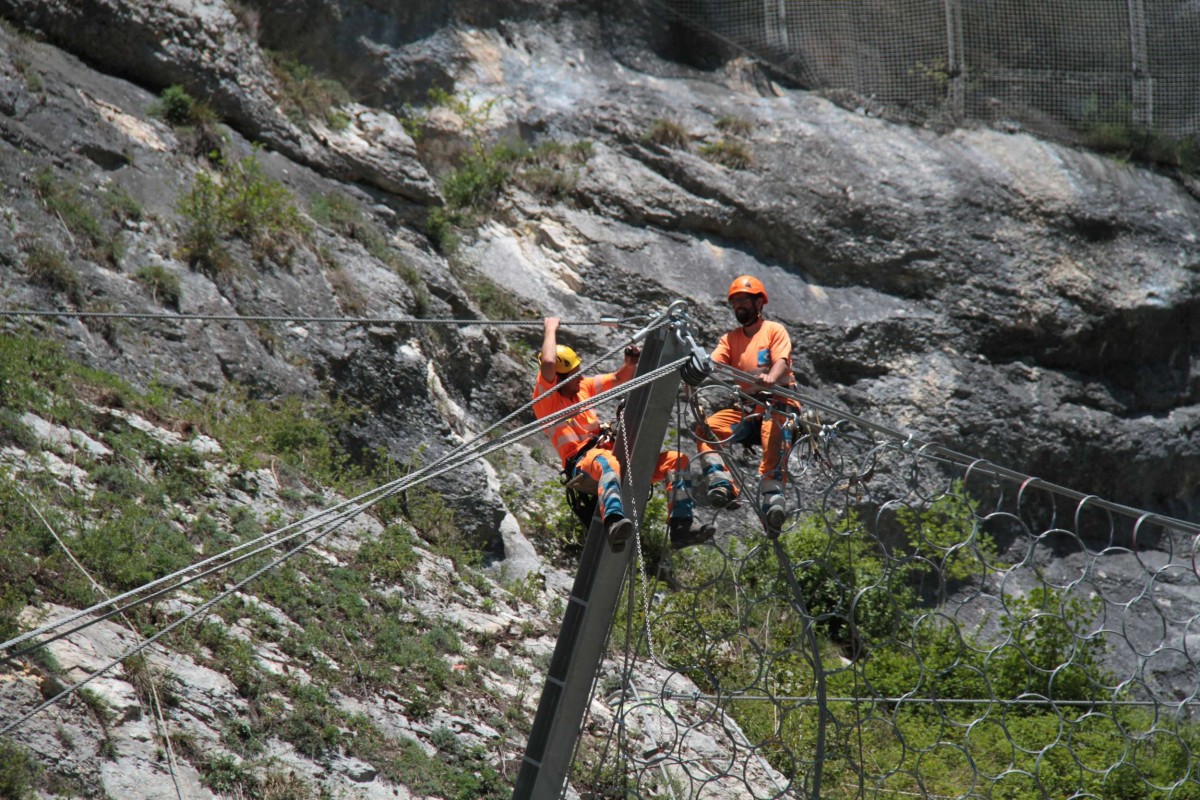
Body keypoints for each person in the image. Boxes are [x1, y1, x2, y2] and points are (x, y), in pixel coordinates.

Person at [535, 317, 714, 553]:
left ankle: (681, 527)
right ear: (558, 380)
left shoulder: (582, 388)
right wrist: (550, 328)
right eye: (574, 374)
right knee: (607, 462)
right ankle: (613, 522)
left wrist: (630, 364)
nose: (580, 377)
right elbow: (549, 362)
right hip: (584, 463)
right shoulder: (547, 401)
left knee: (677, 461)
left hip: (613, 455)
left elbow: (619, 378)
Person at [695, 275, 799, 535]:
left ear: (759, 303)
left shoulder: (774, 330)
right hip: (748, 411)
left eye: (743, 300)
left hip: (779, 404)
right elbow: (714, 361)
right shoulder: (730, 339)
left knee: (773, 429)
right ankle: (721, 482)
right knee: (706, 429)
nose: (738, 305)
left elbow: (781, 361)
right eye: (735, 302)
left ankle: (773, 500)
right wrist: (696, 364)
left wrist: (771, 378)